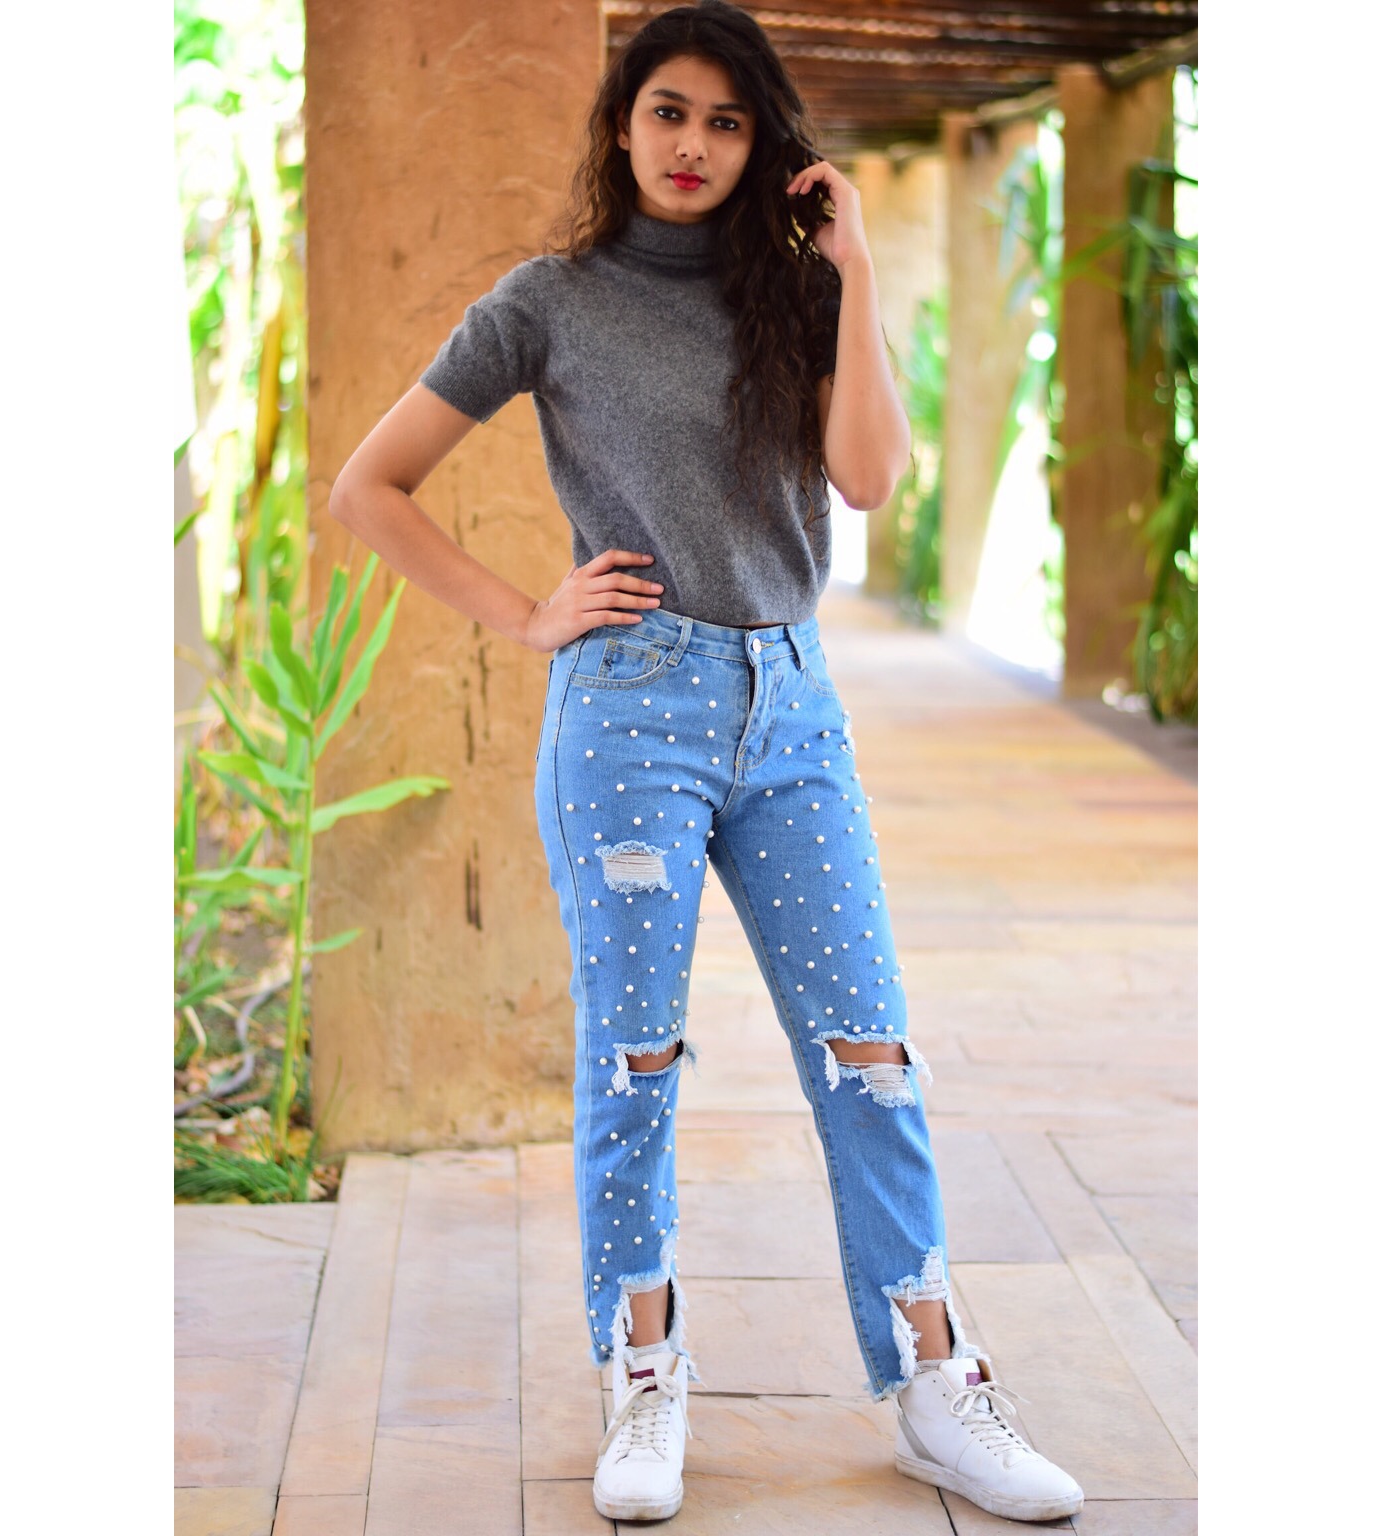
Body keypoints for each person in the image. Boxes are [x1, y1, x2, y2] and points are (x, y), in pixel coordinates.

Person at [329, 1, 1083, 1524]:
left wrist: (854, 270)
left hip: (792, 709)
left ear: (763, 146)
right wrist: (527, 615)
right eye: (668, 112)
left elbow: (866, 476)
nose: (692, 144)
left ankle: (935, 1381)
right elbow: (371, 485)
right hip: (631, 713)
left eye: (727, 122)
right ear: (623, 126)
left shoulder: (799, 296)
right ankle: (642, 1371)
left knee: (871, 1057)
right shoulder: (548, 303)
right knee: (638, 1060)